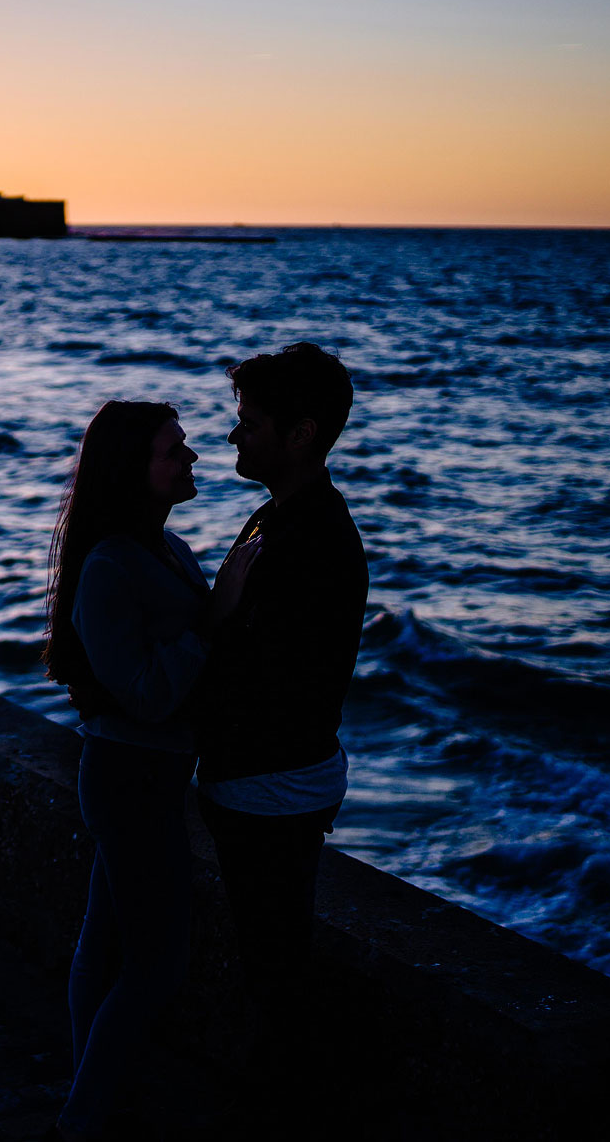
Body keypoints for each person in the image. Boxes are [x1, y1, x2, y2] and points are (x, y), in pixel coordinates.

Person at [43, 400, 258, 1141]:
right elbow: (144, 694)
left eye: (187, 446)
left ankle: (94, 1095)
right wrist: (214, 617)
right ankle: (84, 1116)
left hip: (156, 781)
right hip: (128, 777)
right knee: (158, 966)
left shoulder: (169, 550)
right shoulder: (107, 566)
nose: (192, 458)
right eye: (175, 450)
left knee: (105, 944)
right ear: (133, 470)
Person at [192, 341, 367, 1101]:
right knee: (272, 958)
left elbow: (261, 678)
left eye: (251, 423)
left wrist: (216, 621)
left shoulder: (311, 540)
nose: (234, 435)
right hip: (275, 774)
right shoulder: (280, 518)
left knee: (274, 971)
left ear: (302, 433)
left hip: (274, 782)